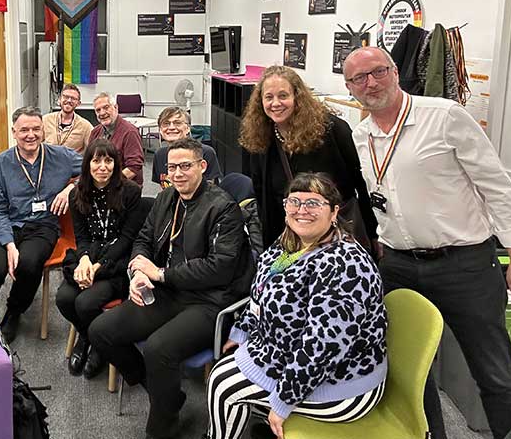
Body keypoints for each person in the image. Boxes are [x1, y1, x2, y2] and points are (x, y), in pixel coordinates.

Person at [343, 46, 511, 439]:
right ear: (349, 87)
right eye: (358, 79)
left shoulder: (444, 116)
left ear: (395, 72)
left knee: (494, 374)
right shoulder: (360, 135)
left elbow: (497, 188)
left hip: (464, 265)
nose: (371, 83)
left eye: (378, 72)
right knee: (410, 370)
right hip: (398, 264)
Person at [89, 138, 251, 439]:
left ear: (202, 166)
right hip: (168, 292)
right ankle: (165, 395)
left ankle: (163, 427)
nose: (177, 173)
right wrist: (138, 270)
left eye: (185, 166)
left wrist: (161, 274)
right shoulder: (166, 199)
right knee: (100, 331)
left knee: (158, 349)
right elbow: (144, 239)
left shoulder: (223, 207)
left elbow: (220, 268)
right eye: (171, 167)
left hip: (208, 302)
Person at [205, 172, 387, 439]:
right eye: (294, 202)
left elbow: (323, 346)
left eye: (313, 203)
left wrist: (283, 401)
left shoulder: (345, 264)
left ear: (334, 212)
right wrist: (242, 330)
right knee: (224, 370)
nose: (302, 210)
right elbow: (261, 289)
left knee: (223, 385)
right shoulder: (290, 244)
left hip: (342, 380)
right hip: (286, 354)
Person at [239, 65, 377, 253]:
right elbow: (262, 196)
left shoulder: (332, 130)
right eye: (268, 97)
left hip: (332, 239)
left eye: (283, 95)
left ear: (297, 97)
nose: (275, 103)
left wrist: (373, 233)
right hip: (286, 238)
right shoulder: (258, 138)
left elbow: (361, 184)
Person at [0, 107, 82, 344]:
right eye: (24, 130)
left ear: (43, 130)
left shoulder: (61, 156)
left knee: (29, 264)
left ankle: (14, 311)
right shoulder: (1, 163)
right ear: (14, 132)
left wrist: (70, 188)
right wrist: (10, 245)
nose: (30, 134)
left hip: (43, 226)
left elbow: (94, 169)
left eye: (36, 129)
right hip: (8, 224)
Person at [58, 140, 148, 379]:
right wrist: (85, 260)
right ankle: (87, 336)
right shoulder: (78, 193)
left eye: (108, 161)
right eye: (96, 160)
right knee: (65, 299)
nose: (102, 167)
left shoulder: (130, 191)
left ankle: (97, 344)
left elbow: (127, 238)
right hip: (92, 254)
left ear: (116, 164)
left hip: (118, 260)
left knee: (85, 303)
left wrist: (98, 267)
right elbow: (82, 236)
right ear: (87, 164)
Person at [152, 106, 221, 189]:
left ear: (188, 128)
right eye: (166, 124)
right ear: (160, 129)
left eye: (177, 123)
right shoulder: (159, 155)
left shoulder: (205, 152)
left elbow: (210, 190)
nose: (171, 127)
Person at [89, 92, 144, 186]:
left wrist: (110, 184)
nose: (102, 113)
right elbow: (89, 161)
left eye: (106, 107)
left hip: (123, 185)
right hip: (100, 182)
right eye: (98, 110)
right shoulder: (95, 132)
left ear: (115, 107)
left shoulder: (130, 132)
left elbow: (134, 167)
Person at [43, 83, 93, 153]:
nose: (69, 100)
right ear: (60, 99)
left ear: (78, 103)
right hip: (48, 163)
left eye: (73, 98)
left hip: (72, 163)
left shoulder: (85, 126)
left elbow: (93, 150)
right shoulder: (45, 120)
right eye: (66, 97)